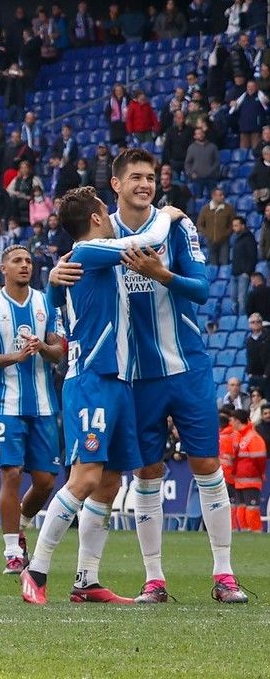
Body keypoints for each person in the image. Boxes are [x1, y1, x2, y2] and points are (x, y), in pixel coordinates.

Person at [99, 147, 246, 603]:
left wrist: (160, 273)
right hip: (136, 374)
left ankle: (224, 574)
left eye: (151, 177)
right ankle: (154, 579)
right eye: (136, 177)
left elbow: (201, 290)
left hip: (187, 367)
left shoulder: (177, 226)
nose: (146, 184)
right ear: (116, 184)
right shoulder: (101, 231)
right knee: (147, 471)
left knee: (206, 464)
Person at [21, 193, 182, 605]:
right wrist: (164, 213)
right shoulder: (89, 249)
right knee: (87, 476)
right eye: (105, 211)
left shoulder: (83, 260)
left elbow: (60, 302)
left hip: (118, 381)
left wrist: (53, 285)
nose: (112, 218)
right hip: (93, 377)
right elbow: (150, 241)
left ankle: (86, 581)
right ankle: (36, 570)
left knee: (109, 483)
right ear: (96, 217)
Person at [0, 245, 62, 575]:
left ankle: (20, 522)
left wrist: (43, 348)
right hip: (6, 402)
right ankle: (12, 551)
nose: (25, 266)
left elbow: (59, 350)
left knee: (47, 481)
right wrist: (14, 357)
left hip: (45, 402)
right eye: (17, 261)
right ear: (3, 268)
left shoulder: (46, 302)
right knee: (11, 472)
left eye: (28, 262)